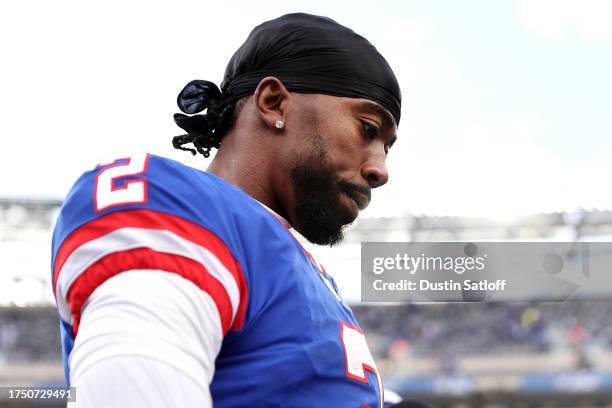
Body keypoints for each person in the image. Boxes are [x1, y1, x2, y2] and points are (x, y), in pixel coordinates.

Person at [52, 13, 401, 408]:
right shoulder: (180, 206)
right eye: (369, 130)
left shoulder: (294, 266)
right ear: (272, 102)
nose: (380, 170)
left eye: (386, 148)